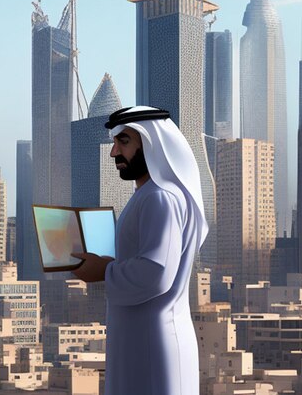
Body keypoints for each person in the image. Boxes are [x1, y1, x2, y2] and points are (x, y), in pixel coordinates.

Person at [71, 105, 208, 395]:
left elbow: (156, 273)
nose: (114, 153)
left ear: (150, 144)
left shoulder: (161, 198)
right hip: (140, 340)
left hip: (154, 343)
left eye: (124, 142)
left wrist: (104, 271)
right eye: (114, 143)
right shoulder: (149, 196)